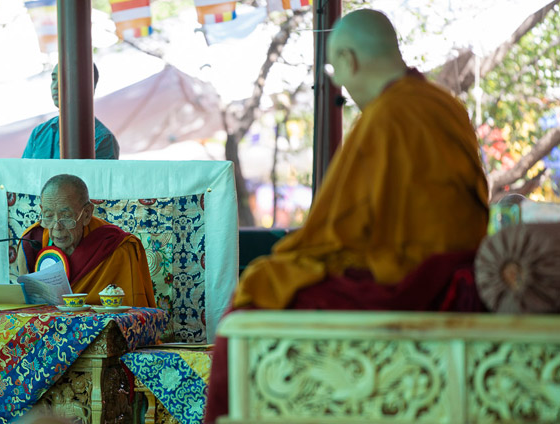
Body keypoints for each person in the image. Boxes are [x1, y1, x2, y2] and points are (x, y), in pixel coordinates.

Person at [204, 9, 489, 422]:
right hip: (458, 265)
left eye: (338, 69)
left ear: (350, 60)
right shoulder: (446, 105)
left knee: (260, 289)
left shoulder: (386, 116)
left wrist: (291, 255)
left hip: (407, 278)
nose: (341, 82)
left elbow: (335, 229)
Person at [17, 174, 155, 307]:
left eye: (66, 216)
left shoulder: (115, 247)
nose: (57, 227)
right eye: (48, 216)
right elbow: (25, 306)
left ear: (87, 214)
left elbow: (130, 315)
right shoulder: (32, 242)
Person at [22, 63, 120, 159]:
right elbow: (23, 173)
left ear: (88, 87)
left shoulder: (102, 139)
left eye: (64, 79)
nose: (55, 86)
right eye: (54, 79)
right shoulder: (39, 133)